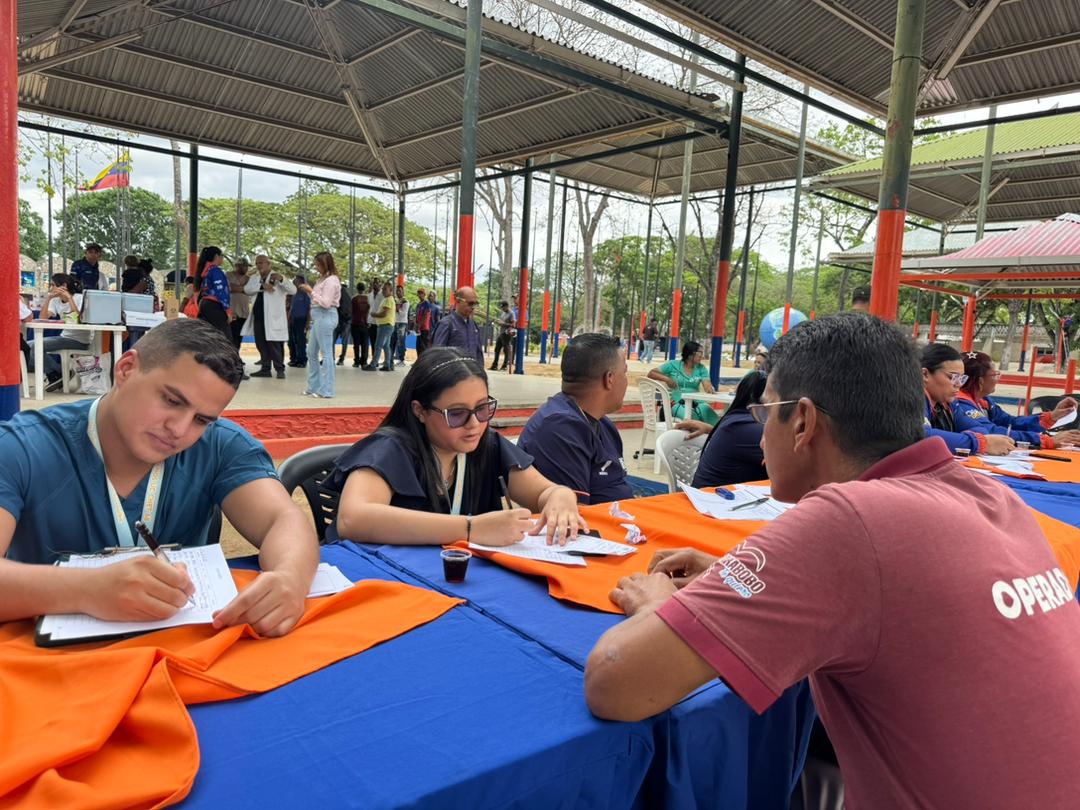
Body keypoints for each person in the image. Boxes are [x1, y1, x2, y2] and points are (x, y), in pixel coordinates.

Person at [584, 314, 1080, 809]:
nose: (761, 438)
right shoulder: (992, 497)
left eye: (765, 414)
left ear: (802, 422)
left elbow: (616, 682)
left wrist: (657, 605)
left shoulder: (850, 518)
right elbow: (887, 596)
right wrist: (727, 575)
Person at [0, 318, 318, 636]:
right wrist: (85, 590)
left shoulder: (220, 445)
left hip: (181, 650)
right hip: (45, 657)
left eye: (201, 419)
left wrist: (290, 578)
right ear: (126, 369)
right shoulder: (23, 447)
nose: (179, 429)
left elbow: (282, 519)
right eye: (172, 401)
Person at [332, 348, 584, 546]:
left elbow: (543, 492)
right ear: (420, 411)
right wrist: (471, 529)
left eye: (483, 408)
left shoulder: (487, 444)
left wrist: (560, 496)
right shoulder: (390, 448)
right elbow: (352, 519)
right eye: (456, 413)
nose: (474, 424)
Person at [519, 334, 632, 505]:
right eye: (624, 373)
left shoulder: (603, 424)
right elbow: (573, 512)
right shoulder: (559, 429)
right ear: (609, 379)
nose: (626, 381)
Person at [952, 351, 1080, 449]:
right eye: (995, 375)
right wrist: (1044, 440)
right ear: (980, 381)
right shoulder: (962, 404)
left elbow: (1009, 422)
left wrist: (1051, 417)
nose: (998, 379)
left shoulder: (983, 401)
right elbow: (991, 432)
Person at [677, 370, 767, 488]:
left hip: (724, 494)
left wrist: (711, 429)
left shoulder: (738, 420)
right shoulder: (747, 426)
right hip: (716, 497)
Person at [921, 343, 1012, 456]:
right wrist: (978, 443)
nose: (959, 384)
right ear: (925, 374)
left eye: (962, 378)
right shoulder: (911, 399)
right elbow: (922, 435)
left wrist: (964, 440)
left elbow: (978, 428)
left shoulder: (949, 403)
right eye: (953, 377)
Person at [27, 273, 91, 391]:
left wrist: (69, 298)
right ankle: (58, 373)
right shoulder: (55, 300)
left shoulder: (80, 298)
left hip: (79, 340)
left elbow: (78, 319)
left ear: (64, 285)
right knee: (27, 346)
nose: (51, 288)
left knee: (35, 346)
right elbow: (43, 318)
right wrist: (48, 298)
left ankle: (57, 374)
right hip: (64, 336)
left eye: (53, 285)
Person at [243, 255, 295, 380]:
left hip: (273, 318)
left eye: (261, 262)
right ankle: (265, 369)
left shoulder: (277, 277)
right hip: (258, 317)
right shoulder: (254, 278)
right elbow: (247, 290)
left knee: (275, 344)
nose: (259, 265)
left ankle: (280, 369)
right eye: (257, 263)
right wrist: (262, 287)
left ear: (268, 264)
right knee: (261, 343)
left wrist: (282, 279)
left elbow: (293, 290)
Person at [296, 252, 341, 398]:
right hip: (318, 316)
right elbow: (317, 299)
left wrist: (310, 291)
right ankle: (314, 386)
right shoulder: (322, 279)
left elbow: (326, 303)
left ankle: (327, 390)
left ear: (325, 264)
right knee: (311, 352)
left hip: (325, 315)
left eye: (318, 264)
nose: (316, 267)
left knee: (326, 353)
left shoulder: (331, 280)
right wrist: (310, 292)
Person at [649, 341, 719, 425]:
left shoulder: (701, 368)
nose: (702, 355)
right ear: (690, 353)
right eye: (700, 352)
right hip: (677, 402)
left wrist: (709, 388)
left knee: (709, 414)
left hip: (697, 402)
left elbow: (707, 386)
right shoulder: (673, 365)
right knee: (692, 417)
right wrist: (667, 379)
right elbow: (651, 373)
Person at [431, 286, 483, 365]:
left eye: (475, 304)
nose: (473, 307)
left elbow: (478, 353)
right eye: (470, 303)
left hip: (472, 371)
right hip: (453, 371)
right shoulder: (446, 324)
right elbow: (437, 353)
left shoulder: (473, 325)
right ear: (458, 301)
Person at [193, 246, 231, 338]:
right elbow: (220, 290)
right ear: (216, 256)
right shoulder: (215, 271)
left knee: (207, 336)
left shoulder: (205, 270)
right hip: (214, 305)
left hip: (204, 304)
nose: (222, 258)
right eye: (222, 256)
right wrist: (228, 310)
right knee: (225, 337)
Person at [367, 281, 395, 372]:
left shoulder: (388, 300)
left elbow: (384, 314)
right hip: (386, 325)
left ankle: (373, 364)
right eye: (383, 289)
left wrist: (374, 314)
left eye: (385, 289)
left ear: (391, 290)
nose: (383, 291)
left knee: (378, 345)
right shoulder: (387, 299)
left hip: (385, 325)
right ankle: (387, 365)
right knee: (386, 346)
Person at [226, 258, 252, 352]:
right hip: (231, 312)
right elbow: (229, 287)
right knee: (231, 336)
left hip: (244, 313)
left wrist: (238, 288)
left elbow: (250, 290)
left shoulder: (248, 278)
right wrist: (244, 289)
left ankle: (236, 356)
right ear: (237, 266)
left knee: (239, 337)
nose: (246, 268)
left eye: (247, 266)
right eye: (244, 266)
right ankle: (231, 356)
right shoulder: (228, 275)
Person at [287, 275, 310, 368]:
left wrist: (308, 322)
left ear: (301, 282)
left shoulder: (305, 295)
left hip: (302, 320)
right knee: (292, 341)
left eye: (296, 281)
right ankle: (294, 359)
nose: (294, 282)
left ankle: (302, 360)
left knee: (301, 341)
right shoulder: (294, 295)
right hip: (293, 320)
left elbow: (309, 309)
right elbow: (291, 309)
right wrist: (288, 320)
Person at [350, 283, 371, 368]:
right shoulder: (368, 299)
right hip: (365, 324)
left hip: (355, 323)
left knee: (356, 344)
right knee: (365, 344)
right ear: (364, 289)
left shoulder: (354, 299)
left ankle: (356, 362)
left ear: (357, 288)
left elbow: (351, 311)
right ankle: (364, 361)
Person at [491, 300, 516, 372]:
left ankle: (504, 366)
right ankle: (495, 365)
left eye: (503, 307)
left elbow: (513, 325)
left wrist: (504, 324)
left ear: (507, 306)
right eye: (501, 307)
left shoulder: (511, 313)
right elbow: (501, 322)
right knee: (497, 349)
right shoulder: (503, 313)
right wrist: (498, 322)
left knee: (506, 350)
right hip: (501, 333)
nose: (502, 309)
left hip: (507, 334)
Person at [334, 283, 352, 366]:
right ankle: (341, 359)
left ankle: (331, 358)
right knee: (344, 342)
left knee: (332, 341)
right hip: (346, 322)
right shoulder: (348, 297)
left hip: (338, 321)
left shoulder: (338, 295)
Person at [392, 284, 410, 367]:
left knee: (401, 342)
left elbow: (403, 314)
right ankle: (390, 359)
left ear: (403, 292)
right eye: (397, 291)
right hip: (394, 322)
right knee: (392, 341)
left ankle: (401, 360)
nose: (398, 292)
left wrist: (397, 308)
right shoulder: (394, 301)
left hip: (402, 323)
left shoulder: (405, 301)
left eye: (400, 291)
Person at [414, 288, 432, 357]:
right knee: (418, 346)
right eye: (419, 293)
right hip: (418, 328)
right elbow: (416, 315)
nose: (420, 295)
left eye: (421, 293)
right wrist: (416, 325)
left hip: (424, 328)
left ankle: (425, 359)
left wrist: (419, 325)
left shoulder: (426, 303)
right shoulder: (418, 304)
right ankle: (419, 359)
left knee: (424, 346)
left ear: (424, 294)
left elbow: (425, 315)